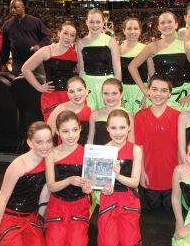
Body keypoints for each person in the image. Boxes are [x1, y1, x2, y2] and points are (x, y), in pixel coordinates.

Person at [0, 121, 52, 246]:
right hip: (10, 218)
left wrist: (41, 223)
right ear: (29, 142)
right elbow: (2, 200)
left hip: (31, 218)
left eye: (48, 141)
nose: (45, 146)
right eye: (39, 142)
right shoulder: (18, 165)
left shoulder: (49, 162)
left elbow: (44, 195)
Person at [129, 11, 190, 111]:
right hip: (158, 98)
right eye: (162, 23)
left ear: (176, 25)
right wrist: (145, 90)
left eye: (169, 22)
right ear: (158, 27)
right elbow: (132, 66)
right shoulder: (152, 46)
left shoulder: (185, 46)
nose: (166, 25)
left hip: (180, 97)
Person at [95, 109, 142, 246]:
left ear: (129, 128)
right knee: (108, 241)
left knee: (129, 241)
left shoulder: (135, 150)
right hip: (109, 199)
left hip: (129, 200)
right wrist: (104, 189)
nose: (118, 132)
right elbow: (100, 184)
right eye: (114, 128)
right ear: (108, 128)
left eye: (122, 127)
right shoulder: (102, 151)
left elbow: (135, 182)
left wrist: (117, 176)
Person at [45, 111, 91, 246]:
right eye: (65, 131)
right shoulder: (51, 154)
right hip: (57, 206)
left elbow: (90, 188)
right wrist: (69, 180)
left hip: (79, 205)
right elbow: (51, 186)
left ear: (80, 129)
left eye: (74, 130)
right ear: (58, 132)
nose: (71, 135)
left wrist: (88, 189)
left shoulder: (87, 153)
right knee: (54, 242)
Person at [135, 75, 180, 210]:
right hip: (149, 177)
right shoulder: (140, 116)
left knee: (169, 217)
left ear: (170, 93)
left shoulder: (179, 117)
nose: (158, 94)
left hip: (172, 177)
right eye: (154, 89)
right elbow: (138, 148)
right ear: (148, 91)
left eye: (163, 90)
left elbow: (181, 149)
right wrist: (141, 172)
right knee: (152, 219)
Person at [22, 21, 78, 121]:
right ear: (58, 33)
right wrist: (39, 87)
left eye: (72, 35)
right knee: (52, 128)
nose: (68, 37)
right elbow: (25, 69)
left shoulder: (75, 54)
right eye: (65, 33)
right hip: (51, 96)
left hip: (69, 97)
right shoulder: (46, 50)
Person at [77, 9, 121, 110]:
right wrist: (81, 89)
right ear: (86, 22)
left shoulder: (111, 41)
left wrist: (118, 89)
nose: (95, 25)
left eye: (98, 22)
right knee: (90, 114)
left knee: (108, 116)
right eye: (92, 22)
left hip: (107, 82)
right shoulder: (81, 43)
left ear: (103, 22)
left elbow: (117, 68)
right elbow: (81, 69)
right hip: (88, 84)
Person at [1, 0, 51, 76]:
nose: (13, 10)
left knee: (39, 84)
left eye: (15, 7)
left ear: (23, 8)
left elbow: (46, 37)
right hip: (17, 62)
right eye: (11, 8)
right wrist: (3, 63)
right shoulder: (7, 25)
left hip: (35, 59)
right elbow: (5, 47)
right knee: (18, 85)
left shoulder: (35, 21)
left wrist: (39, 46)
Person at [120, 17, 154, 115]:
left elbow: (152, 75)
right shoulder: (118, 50)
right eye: (129, 28)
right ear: (124, 31)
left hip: (141, 91)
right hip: (124, 91)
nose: (132, 31)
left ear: (140, 31)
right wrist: (119, 97)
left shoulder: (146, 49)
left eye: (135, 28)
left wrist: (145, 95)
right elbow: (116, 74)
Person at [87, 78, 134, 145]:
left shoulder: (128, 116)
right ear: (102, 95)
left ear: (121, 95)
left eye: (114, 93)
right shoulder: (94, 115)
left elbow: (131, 143)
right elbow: (90, 140)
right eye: (106, 93)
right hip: (99, 154)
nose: (110, 97)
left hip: (120, 155)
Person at [47, 76, 91, 145]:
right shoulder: (59, 109)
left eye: (79, 90)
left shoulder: (90, 112)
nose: (76, 94)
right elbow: (48, 136)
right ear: (68, 94)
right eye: (71, 91)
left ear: (86, 91)